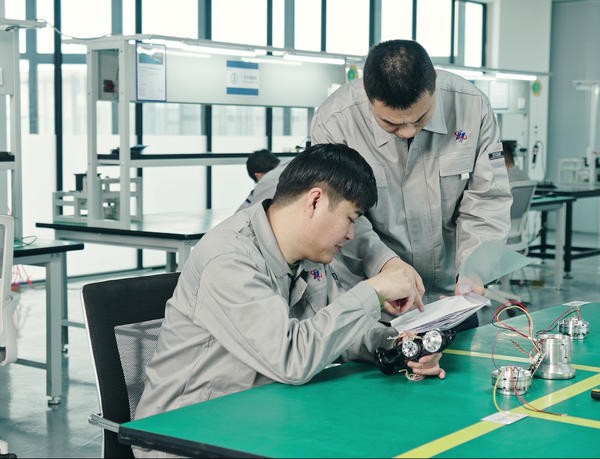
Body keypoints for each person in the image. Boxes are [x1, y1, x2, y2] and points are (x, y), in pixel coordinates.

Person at [134, 144, 444, 433]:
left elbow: (335, 332)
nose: (352, 234)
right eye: (350, 219)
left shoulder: (307, 256)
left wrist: (399, 346)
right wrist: (372, 292)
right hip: (186, 430)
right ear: (315, 201)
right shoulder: (229, 259)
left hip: (259, 415)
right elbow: (291, 359)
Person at [310, 39, 512, 311]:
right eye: (390, 123)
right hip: (373, 293)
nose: (407, 131)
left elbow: (487, 200)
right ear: (366, 94)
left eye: (420, 119)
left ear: (435, 82)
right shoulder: (335, 122)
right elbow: (338, 216)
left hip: (451, 296)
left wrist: (474, 270)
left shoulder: (472, 107)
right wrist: (385, 265)